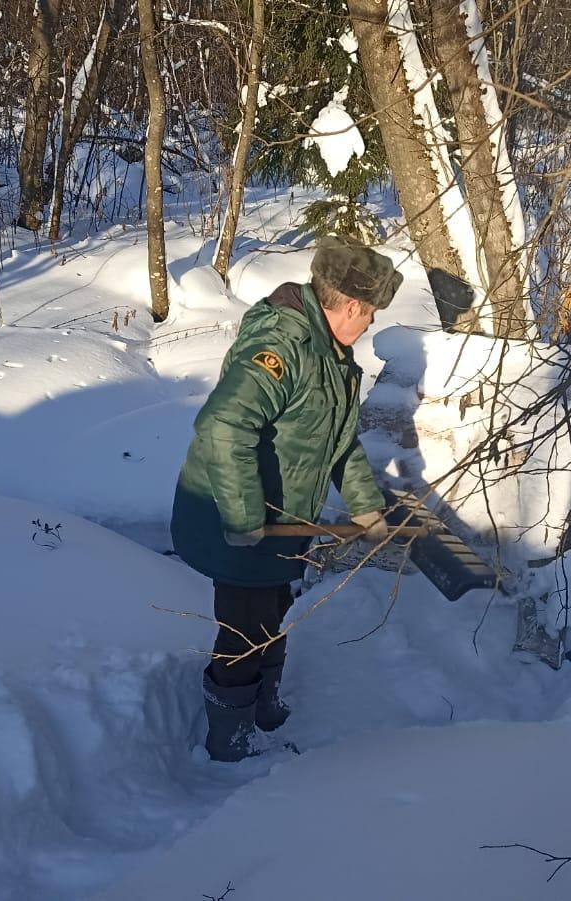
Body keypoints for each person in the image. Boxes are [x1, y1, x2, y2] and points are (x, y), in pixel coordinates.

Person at [170, 236, 401, 761]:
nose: (369, 326)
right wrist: (245, 517)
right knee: (242, 631)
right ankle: (230, 741)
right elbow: (224, 424)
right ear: (349, 306)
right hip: (234, 513)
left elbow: (338, 439)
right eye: (370, 316)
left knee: (272, 611)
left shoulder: (332, 355)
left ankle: (263, 706)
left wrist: (366, 506)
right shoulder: (284, 346)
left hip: (282, 518)